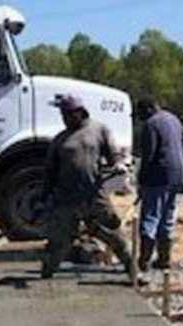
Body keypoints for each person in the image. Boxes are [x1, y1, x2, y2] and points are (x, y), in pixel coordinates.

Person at [39, 95, 139, 285]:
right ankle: (47, 273)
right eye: (62, 114)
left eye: (68, 114)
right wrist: (44, 197)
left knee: (115, 234)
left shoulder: (99, 130)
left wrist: (118, 164)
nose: (64, 118)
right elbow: (50, 172)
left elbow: (114, 155)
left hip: (94, 195)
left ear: (80, 113)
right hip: (67, 198)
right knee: (60, 240)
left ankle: (134, 272)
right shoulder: (60, 140)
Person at [133, 97, 183, 273]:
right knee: (167, 215)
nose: (140, 118)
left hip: (158, 175)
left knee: (150, 216)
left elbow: (148, 155)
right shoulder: (173, 118)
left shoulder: (151, 124)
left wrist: (142, 181)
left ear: (149, 109)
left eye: (141, 114)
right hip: (178, 174)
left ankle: (143, 261)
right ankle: (164, 259)